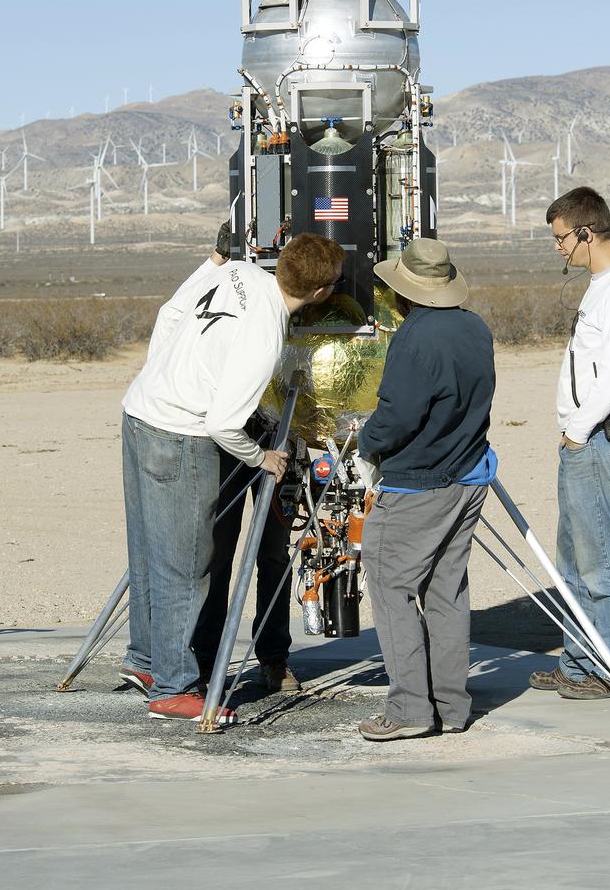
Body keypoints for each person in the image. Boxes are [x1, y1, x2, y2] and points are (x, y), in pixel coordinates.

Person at [119, 230, 345, 722]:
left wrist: (168, 373)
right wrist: (258, 456)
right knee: (186, 567)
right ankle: (175, 687)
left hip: (140, 412)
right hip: (182, 435)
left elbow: (170, 315)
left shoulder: (238, 273)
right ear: (322, 292)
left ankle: (145, 661)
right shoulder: (265, 334)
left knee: (148, 551)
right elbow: (223, 423)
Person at [355, 238, 497, 741]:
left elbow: (397, 417)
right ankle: (452, 706)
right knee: (446, 590)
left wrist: (363, 439)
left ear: (405, 290)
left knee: (391, 584)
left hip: (419, 484)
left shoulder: (415, 338)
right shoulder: (475, 327)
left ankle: (411, 708)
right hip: (469, 476)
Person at [530, 186, 610, 699]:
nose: (558, 248)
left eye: (562, 238)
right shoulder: (602, 285)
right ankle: (580, 663)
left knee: (603, 559)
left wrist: (577, 431)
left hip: (604, 436)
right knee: (575, 563)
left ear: (586, 232)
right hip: (588, 439)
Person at [193, 431, 302, 696]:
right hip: (229, 436)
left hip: (281, 436)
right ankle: (205, 659)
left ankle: (274, 657)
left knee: (275, 553)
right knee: (216, 554)